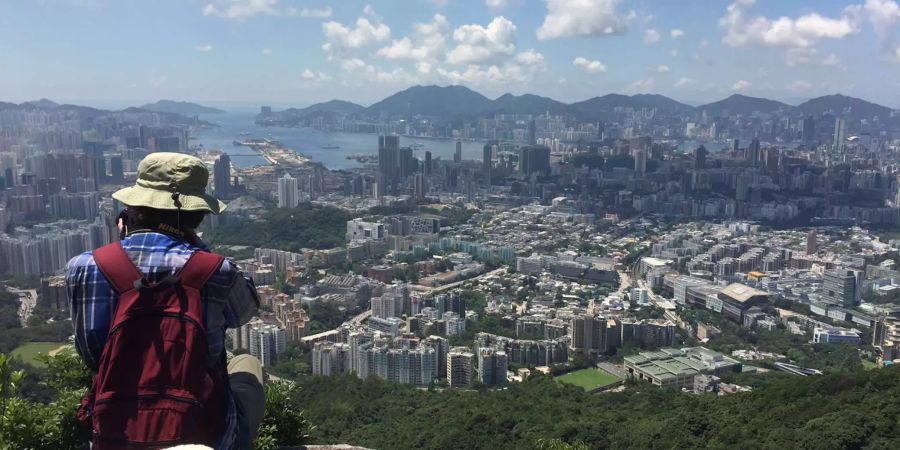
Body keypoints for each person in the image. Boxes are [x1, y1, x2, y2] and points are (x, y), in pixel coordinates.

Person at [66, 152, 263, 449]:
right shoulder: (217, 271)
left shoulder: (83, 268)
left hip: (115, 435)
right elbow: (244, 311)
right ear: (198, 216)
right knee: (247, 364)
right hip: (206, 436)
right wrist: (198, 249)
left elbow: (91, 354)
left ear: (131, 210)